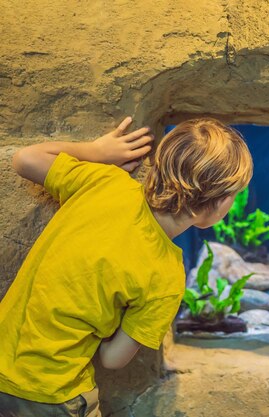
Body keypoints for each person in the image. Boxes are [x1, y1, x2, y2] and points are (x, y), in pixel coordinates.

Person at [0, 117, 253, 416]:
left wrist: (97, 152)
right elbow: (112, 358)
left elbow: (25, 159)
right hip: (52, 394)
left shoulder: (104, 182)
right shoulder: (167, 276)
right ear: (221, 203)